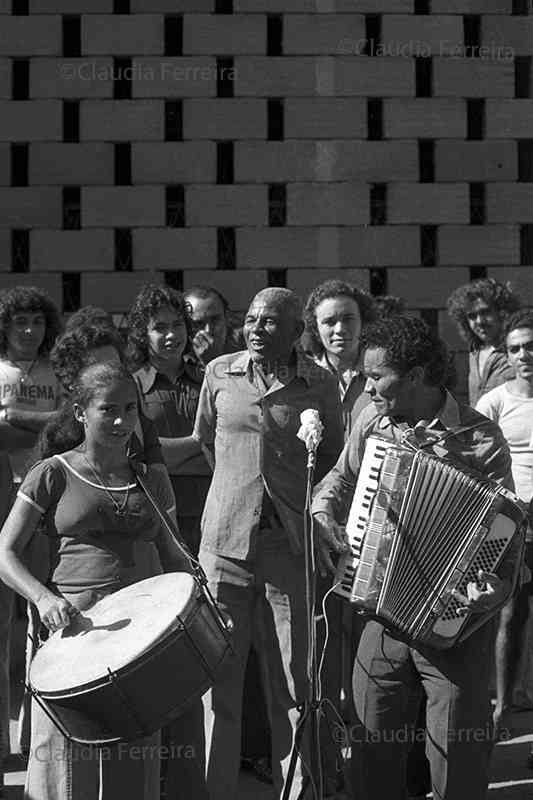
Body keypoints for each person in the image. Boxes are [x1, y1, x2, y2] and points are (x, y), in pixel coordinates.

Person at [311, 315, 523, 800]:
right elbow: (339, 482)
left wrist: (489, 584)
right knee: (371, 749)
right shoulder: (371, 419)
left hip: (455, 628)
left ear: (420, 375)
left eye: (376, 376)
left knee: (456, 764)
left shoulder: (480, 439)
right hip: (379, 612)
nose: (367, 387)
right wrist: (324, 514)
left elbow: (505, 538)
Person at [0, 362, 193, 800]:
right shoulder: (52, 472)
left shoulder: (150, 477)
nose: (123, 421)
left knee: (134, 756)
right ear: (81, 412)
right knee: (66, 761)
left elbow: (175, 555)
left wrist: (202, 606)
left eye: (131, 409)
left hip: (141, 637)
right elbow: (4, 552)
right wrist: (44, 599)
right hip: (72, 632)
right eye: (109, 410)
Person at [191, 287, 345, 799]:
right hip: (224, 547)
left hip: (289, 549)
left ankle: (302, 790)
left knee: (298, 681)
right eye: (251, 319)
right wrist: (241, 498)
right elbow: (210, 445)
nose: (257, 329)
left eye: (271, 322)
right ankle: (215, 791)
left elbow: (331, 463)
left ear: (297, 332)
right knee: (220, 681)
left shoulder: (319, 384)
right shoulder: (220, 373)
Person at [0, 285, 62, 788]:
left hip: (47, 506)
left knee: (44, 620)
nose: (28, 331)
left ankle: (41, 735)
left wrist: (14, 419)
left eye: (36, 322)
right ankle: (3, 741)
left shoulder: (55, 374)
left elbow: (65, 429)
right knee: (3, 629)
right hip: (4, 504)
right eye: (19, 322)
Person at [476, 310, 533, 738]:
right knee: (511, 616)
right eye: (514, 348)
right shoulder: (494, 401)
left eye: (529, 346)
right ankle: (502, 712)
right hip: (516, 520)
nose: (523, 355)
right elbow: (476, 465)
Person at [302, 279, 375, 438]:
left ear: (364, 321)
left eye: (348, 319)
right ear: (315, 329)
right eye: (329, 322)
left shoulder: (382, 376)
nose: (340, 329)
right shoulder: (301, 380)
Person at [446, 278, 521, 406]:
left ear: (502, 312)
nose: (479, 321)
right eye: (472, 316)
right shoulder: (474, 352)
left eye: (485, 312)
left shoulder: (519, 350)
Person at [184, 285, 241, 369]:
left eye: (215, 320)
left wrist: (213, 361)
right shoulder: (175, 360)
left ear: (227, 318)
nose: (208, 330)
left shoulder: (245, 354)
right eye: (198, 323)